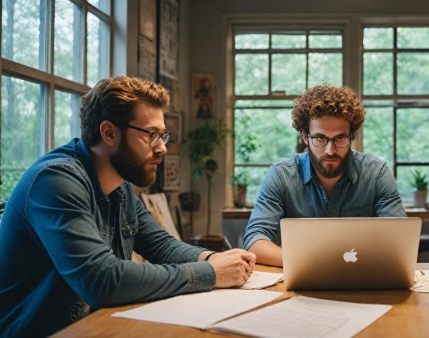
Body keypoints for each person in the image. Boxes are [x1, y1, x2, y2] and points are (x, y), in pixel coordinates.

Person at [0, 77, 256, 337]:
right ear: (109, 132)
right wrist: (210, 272)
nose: (163, 148)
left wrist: (213, 258)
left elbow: (161, 245)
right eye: (152, 135)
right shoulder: (55, 181)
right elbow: (101, 280)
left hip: (94, 327)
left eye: (163, 135)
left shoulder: (119, 186)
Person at [243, 84, 405, 267]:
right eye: (320, 138)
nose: (330, 150)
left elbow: (399, 242)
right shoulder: (281, 176)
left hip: (361, 281)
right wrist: (313, 262)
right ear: (305, 136)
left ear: (351, 136)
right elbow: (255, 241)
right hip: (301, 279)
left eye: (340, 138)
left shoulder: (376, 174)